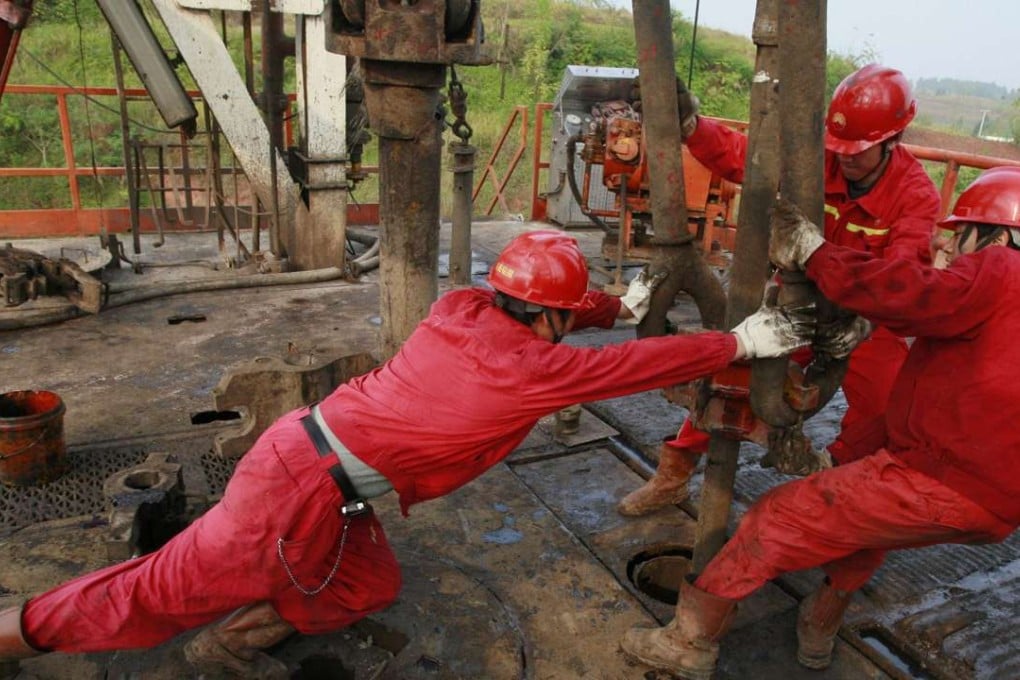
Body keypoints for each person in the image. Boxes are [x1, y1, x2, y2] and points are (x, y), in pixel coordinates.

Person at [0, 229, 812, 678]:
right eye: (569, 316)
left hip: (317, 471)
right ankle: (19, 634)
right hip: (293, 489)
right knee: (155, 588)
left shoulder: (460, 306)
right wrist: (734, 344)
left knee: (370, 585)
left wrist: (612, 305)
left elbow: (557, 313)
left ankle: (244, 622)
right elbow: (630, 366)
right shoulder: (532, 370)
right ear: (549, 319)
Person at [619, 167, 1020, 678]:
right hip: (995, 500)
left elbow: (914, 291)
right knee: (869, 530)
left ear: (998, 237)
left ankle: (689, 642)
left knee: (776, 517)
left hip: (944, 480)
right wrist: (835, 457)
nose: (950, 245)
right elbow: (933, 387)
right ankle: (821, 621)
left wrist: (816, 254)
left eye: (961, 235)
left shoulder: (1003, 267)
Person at [618, 63, 942, 517]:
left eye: (859, 149)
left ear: (893, 140)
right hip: (797, 299)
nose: (845, 157)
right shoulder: (818, 159)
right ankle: (673, 474)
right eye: (840, 146)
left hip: (864, 319)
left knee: (887, 404)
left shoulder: (914, 195)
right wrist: (692, 126)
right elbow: (745, 157)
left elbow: (903, 277)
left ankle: (833, 483)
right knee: (731, 373)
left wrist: (863, 322)